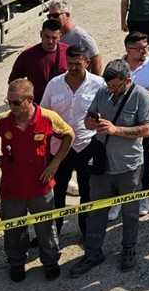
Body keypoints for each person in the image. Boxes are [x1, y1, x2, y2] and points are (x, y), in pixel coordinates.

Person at [0, 79, 72, 282]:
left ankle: (50, 261)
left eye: (16, 102)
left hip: (40, 187)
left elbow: (68, 135)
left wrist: (55, 164)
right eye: (9, 101)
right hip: (12, 189)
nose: (11, 107)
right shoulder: (2, 121)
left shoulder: (48, 118)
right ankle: (17, 263)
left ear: (30, 99)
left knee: (46, 228)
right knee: (13, 229)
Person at [70, 61, 149, 276]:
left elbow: (146, 130)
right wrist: (91, 122)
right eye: (109, 86)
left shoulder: (141, 96)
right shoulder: (103, 93)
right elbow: (87, 123)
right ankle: (92, 253)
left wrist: (115, 130)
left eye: (115, 86)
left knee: (130, 211)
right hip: (102, 166)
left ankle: (128, 248)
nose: (111, 90)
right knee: (96, 211)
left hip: (129, 166)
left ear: (128, 81)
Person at [43, 45, 106, 240]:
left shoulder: (99, 85)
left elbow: (106, 112)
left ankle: (86, 231)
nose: (73, 67)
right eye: (69, 63)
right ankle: (53, 233)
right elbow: (44, 115)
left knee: (87, 191)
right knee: (57, 192)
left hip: (87, 146)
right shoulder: (54, 85)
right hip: (59, 148)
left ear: (87, 62)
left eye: (77, 64)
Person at [120, 32, 149, 216]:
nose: (144, 51)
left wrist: (139, 94)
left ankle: (143, 194)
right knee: (121, 158)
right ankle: (119, 199)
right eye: (139, 48)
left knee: (146, 157)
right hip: (123, 122)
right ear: (128, 50)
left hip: (146, 121)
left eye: (145, 47)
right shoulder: (117, 66)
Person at [8, 18, 68, 105]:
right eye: (47, 36)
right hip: (37, 105)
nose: (50, 41)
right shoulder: (27, 56)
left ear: (60, 36)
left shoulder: (68, 52)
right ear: (41, 34)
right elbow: (14, 82)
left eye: (54, 38)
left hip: (62, 104)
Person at [47, 0, 104, 76]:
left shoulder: (82, 36)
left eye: (55, 15)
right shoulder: (54, 36)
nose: (52, 19)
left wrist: (94, 81)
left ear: (67, 15)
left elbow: (96, 60)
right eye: (49, 16)